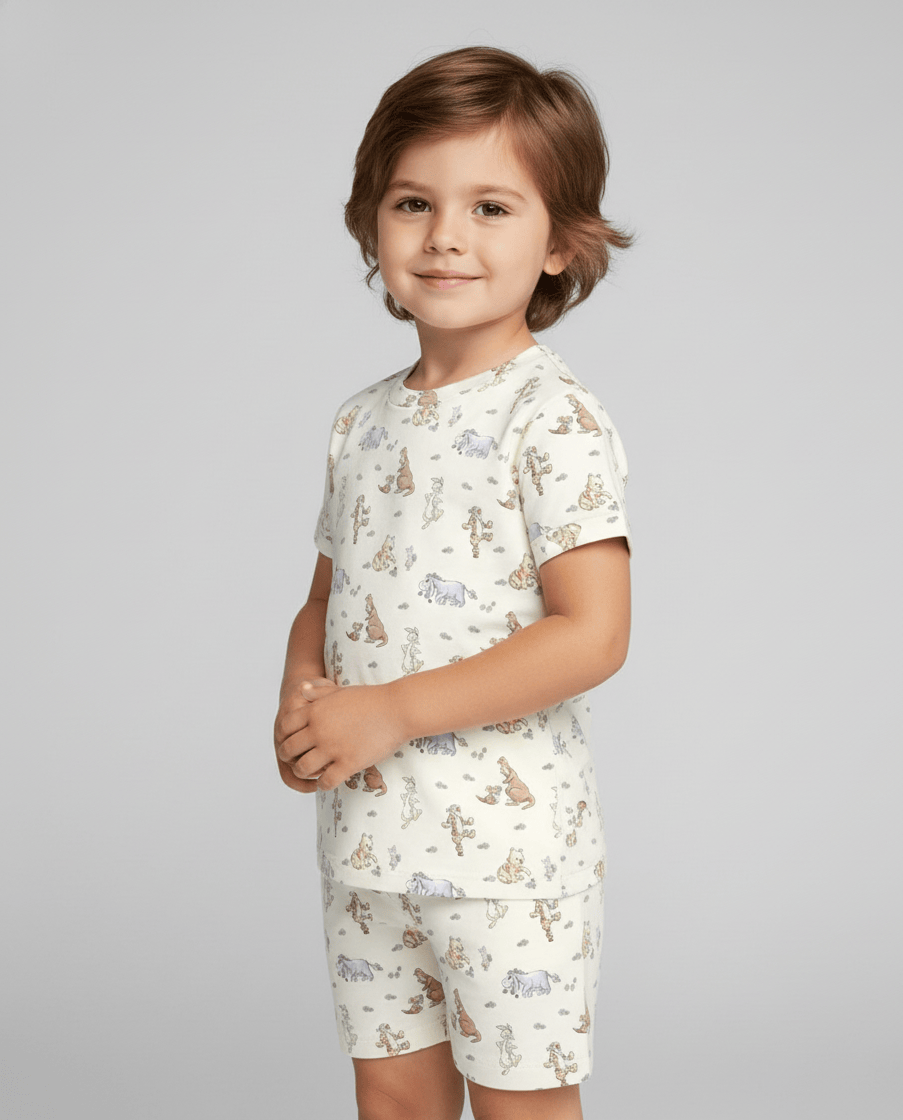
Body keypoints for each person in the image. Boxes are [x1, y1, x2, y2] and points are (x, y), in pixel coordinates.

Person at [274, 46, 634, 1120]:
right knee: (391, 1096)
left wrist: (390, 710)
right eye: (413, 202)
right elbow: (326, 598)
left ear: (560, 244)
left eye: (490, 207)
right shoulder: (360, 422)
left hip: (507, 863)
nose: (444, 235)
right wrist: (304, 699)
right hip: (367, 840)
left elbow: (592, 634)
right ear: (371, 224)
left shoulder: (552, 418)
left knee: (521, 1103)